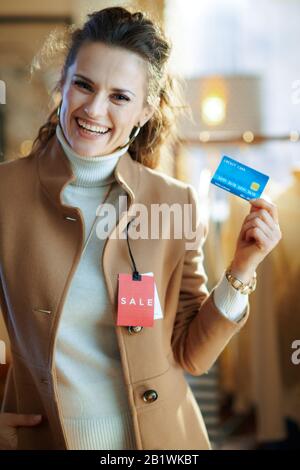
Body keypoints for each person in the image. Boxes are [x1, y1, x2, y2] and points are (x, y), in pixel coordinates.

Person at [0, 7, 281, 450]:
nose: (94, 109)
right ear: (63, 84)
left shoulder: (176, 201)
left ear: (145, 110)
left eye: (120, 97)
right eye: (84, 85)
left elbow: (193, 353)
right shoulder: (6, 192)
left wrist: (244, 267)